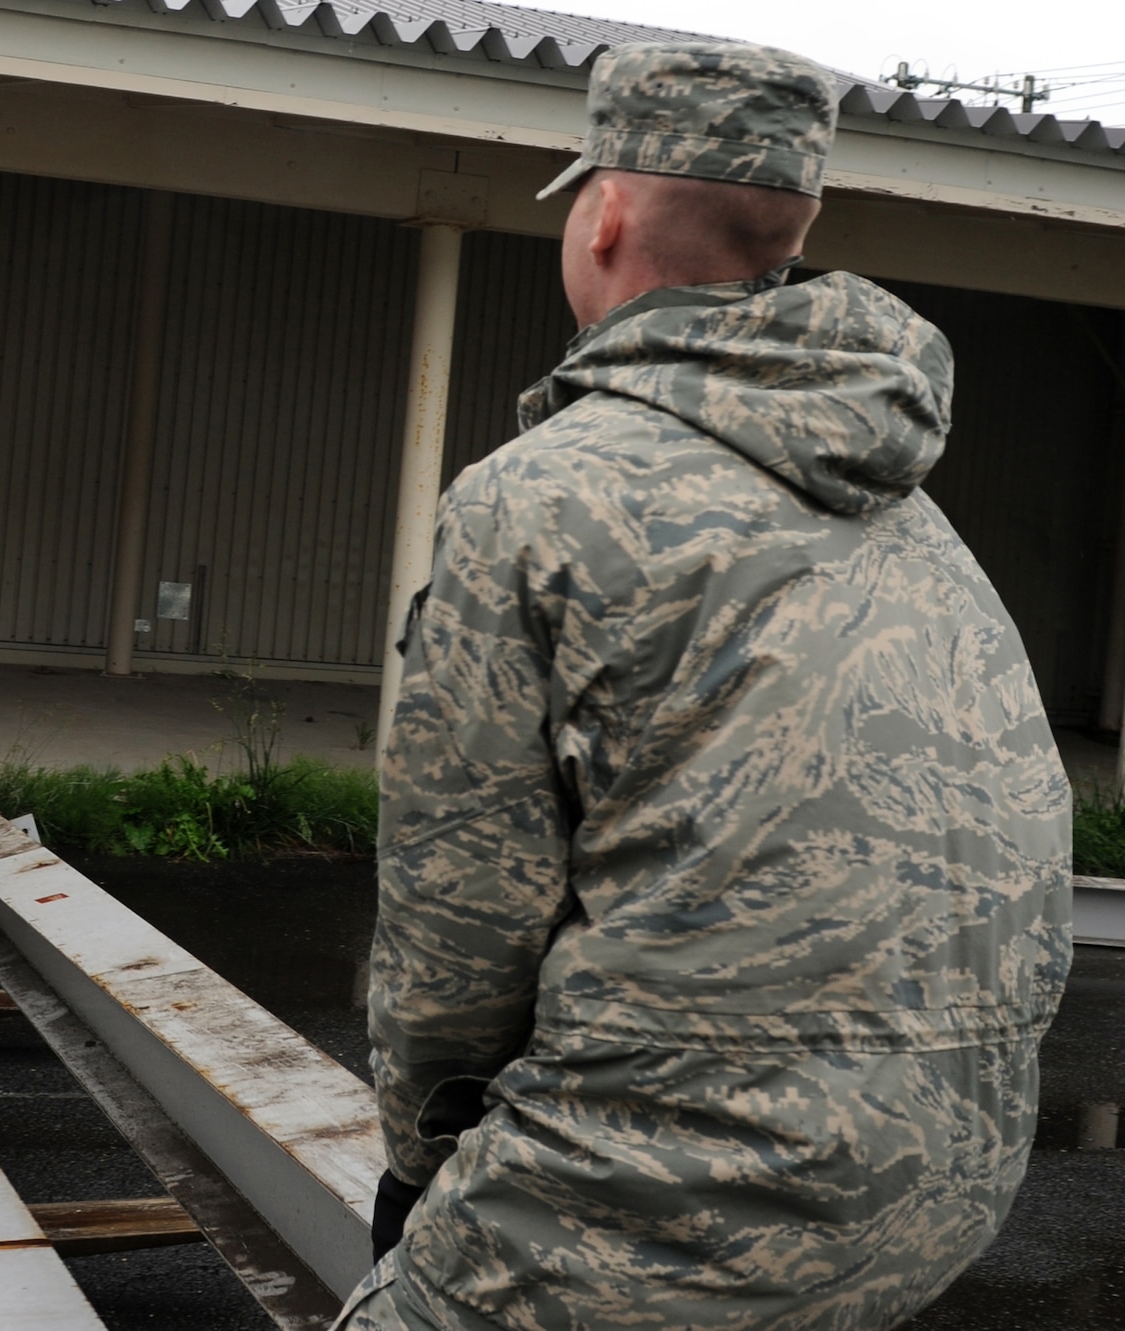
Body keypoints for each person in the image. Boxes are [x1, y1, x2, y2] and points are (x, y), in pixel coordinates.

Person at [341, 42, 1072, 1331]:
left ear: (604, 213)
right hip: (942, 1192)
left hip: (669, 1209)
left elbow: (455, 927)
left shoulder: (536, 496)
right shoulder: (914, 514)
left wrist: (421, 1167)